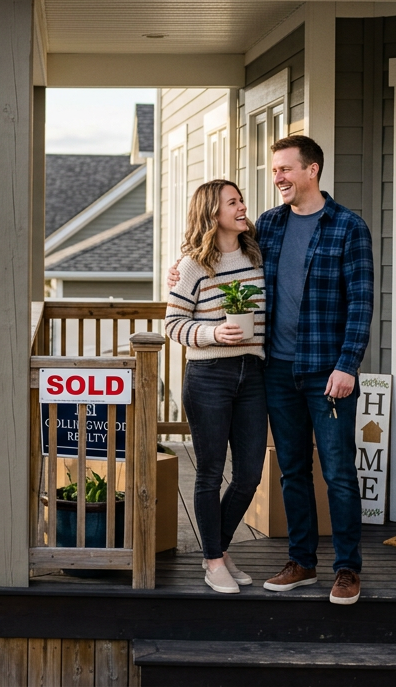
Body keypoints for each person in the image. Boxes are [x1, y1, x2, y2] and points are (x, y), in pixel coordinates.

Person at [169, 135, 373, 605]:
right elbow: (212, 256)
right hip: (276, 372)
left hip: (328, 373)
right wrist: (175, 273)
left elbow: (361, 304)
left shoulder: (348, 227)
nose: (277, 178)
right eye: (274, 170)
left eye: (285, 169)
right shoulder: (269, 226)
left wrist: (348, 366)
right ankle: (301, 561)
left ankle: (347, 568)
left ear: (312, 170)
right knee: (292, 472)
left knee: (339, 473)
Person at [163, 179, 268, 595]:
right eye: (233, 202)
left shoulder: (256, 254)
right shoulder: (192, 265)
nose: (242, 207)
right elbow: (173, 324)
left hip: (254, 374)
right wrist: (210, 334)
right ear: (212, 213)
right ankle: (213, 561)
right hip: (209, 376)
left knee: (248, 475)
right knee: (209, 473)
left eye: (242, 199)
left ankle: (218, 551)